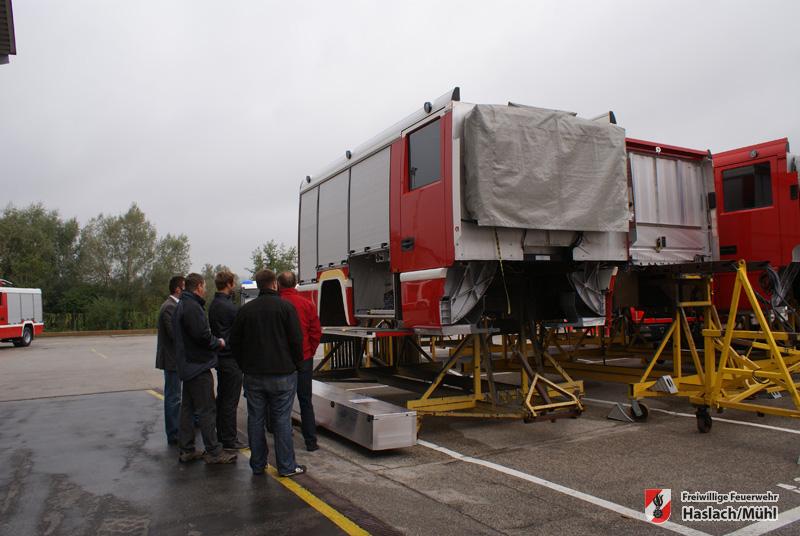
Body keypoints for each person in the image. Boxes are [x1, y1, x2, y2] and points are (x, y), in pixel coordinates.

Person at [230, 268, 305, 477]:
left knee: (255, 419)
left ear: (258, 285)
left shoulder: (245, 311)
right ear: (274, 284)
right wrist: (297, 364)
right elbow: (296, 340)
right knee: (281, 420)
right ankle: (286, 466)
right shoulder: (286, 308)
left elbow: (234, 342)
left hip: (254, 375)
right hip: (283, 374)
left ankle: (258, 464)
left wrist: (244, 364)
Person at [173, 272, 237, 464]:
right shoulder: (192, 307)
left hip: (188, 364)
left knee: (188, 407)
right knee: (207, 409)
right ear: (199, 286)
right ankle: (214, 451)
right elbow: (202, 335)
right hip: (198, 365)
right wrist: (219, 343)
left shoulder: (183, 304)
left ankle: (187, 448)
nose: (206, 290)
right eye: (204, 286)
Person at [278, 270, 322, 451]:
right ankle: (311, 441)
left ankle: (281, 435)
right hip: (304, 358)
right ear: (295, 283)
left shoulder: (277, 304)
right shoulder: (307, 304)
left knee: (280, 401)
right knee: (305, 400)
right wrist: (309, 352)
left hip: (282, 360)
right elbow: (316, 332)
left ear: (279, 285)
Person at [209, 270, 245, 450]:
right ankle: (230, 439)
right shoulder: (230, 308)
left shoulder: (214, 304)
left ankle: (222, 434)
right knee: (231, 401)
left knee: (222, 398)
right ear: (229, 283)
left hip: (220, 358)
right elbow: (239, 334)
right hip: (231, 359)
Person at [155, 275, 184, 445]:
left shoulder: (174, 306)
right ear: (177, 289)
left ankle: (177, 429)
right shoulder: (169, 307)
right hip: (171, 359)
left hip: (175, 358)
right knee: (173, 397)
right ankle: (173, 433)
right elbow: (175, 334)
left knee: (175, 396)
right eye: (184, 286)